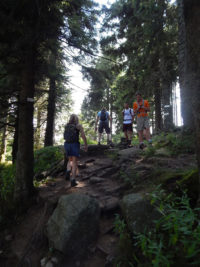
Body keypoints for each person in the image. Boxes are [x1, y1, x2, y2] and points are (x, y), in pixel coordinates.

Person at [64, 114, 88, 187]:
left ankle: (68, 171)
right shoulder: (78, 125)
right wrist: (86, 145)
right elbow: (83, 135)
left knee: (69, 160)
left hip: (67, 144)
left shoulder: (66, 125)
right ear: (76, 119)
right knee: (74, 162)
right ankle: (73, 180)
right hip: (74, 144)